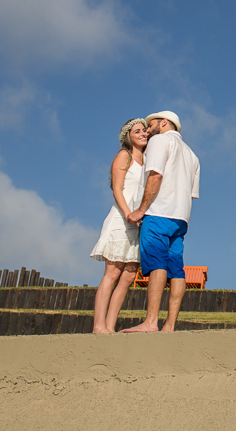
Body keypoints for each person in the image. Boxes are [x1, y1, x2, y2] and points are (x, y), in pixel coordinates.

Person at [122, 110, 200, 333]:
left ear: (164, 123)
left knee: (156, 263)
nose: (147, 129)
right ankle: (170, 325)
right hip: (181, 217)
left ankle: (150, 322)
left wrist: (141, 210)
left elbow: (155, 176)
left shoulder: (159, 141)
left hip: (158, 212)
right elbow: (192, 193)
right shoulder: (193, 155)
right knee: (176, 268)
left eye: (151, 124)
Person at [89, 117, 148, 333]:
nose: (142, 134)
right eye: (137, 131)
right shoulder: (124, 156)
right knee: (112, 273)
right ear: (128, 137)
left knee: (129, 275)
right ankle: (98, 326)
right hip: (121, 220)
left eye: (144, 131)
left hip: (139, 223)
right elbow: (117, 189)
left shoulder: (149, 160)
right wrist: (128, 214)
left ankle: (110, 327)